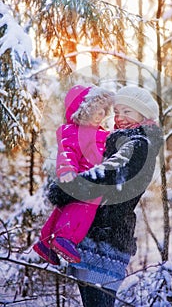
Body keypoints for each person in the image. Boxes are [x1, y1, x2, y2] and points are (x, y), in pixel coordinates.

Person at [48, 85, 164, 307]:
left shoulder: (139, 143)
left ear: (143, 114)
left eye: (127, 112)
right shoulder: (119, 140)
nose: (120, 117)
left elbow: (107, 175)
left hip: (108, 238)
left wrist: (67, 189)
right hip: (96, 236)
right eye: (117, 111)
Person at [33, 84, 113, 265]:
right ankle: (65, 238)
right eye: (95, 110)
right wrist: (67, 169)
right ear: (82, 112)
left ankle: (46, 242)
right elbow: (67, 152)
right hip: (82, 180)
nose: (101, 114)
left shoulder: (101, 134)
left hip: (89, 177)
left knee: (64, 209)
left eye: (103, 111)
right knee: (83, 208)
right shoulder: (73, 132)